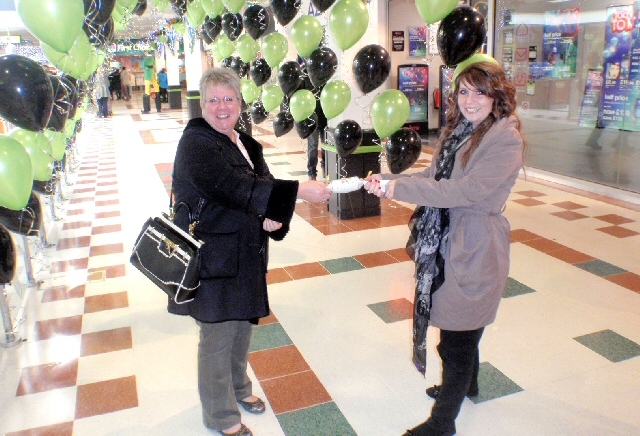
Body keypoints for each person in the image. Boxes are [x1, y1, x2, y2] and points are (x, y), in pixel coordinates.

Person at [365, 61, 525, 436]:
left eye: (480, 92)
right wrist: (388, 179)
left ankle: (442, 424)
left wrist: (397, 190)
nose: (470, 100)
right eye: (464, 91)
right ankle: (467, 384)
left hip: (476, 245)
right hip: (447, 242)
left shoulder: (505, 139)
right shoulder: (458, 131)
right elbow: (431, 178)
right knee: (460, 325)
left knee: (458, 338)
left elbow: (464, 192)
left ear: (496, 96)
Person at [169, 68, 331, 436]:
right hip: (213, 258)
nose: (222, 107)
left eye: (229, 99)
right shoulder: (196, 143)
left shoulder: (243, 140)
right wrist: (300, 192)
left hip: (244, 254)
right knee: (217, 336)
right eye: (214, 100)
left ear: (240, 103)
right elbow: (232, 187)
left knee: (241, 328)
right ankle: (221, 416)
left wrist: (273, 217)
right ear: (202, 104)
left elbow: (262, 184)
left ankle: (239, 390)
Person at [307, 91, 327, 180]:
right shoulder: (306, 79)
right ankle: (312, 172)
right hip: (311, 120)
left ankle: (325, 167)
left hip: (325, 118)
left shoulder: (325, 80)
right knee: (312, 146)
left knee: (325, 146)